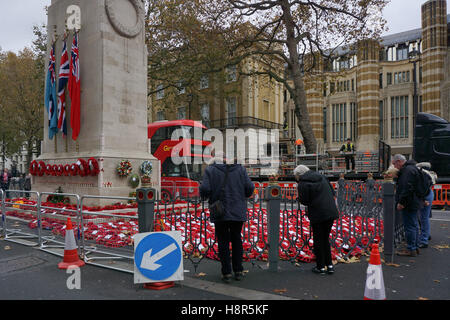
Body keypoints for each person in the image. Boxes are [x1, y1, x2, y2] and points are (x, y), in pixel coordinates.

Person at [199, 151, 255, 283]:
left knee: (223, 241)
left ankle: (226, 273)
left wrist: (208, 194)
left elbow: (205, 189)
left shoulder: (211, 170)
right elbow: (249, 188)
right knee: (236, 239)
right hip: (237, 210)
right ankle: (238, 270)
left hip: (220, 211)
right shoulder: (240, 169)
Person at [294, 164, 339, 275]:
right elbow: (332, 193)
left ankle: (320, 267)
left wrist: (298, 197)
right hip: (330, 211)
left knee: (318, 240)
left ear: (299, 175)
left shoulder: (303, 183)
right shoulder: (322, 177)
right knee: (325, 239)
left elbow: (304, 200)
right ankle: (329, 265)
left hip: (318, 213)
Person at [392, 154, 421, 257]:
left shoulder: (407, 171)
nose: (395, 167)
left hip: (409, 203)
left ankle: (411, 249)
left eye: (394, 164)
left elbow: (407, 188)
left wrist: (401, 202)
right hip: (414, 201)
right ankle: (415, 247)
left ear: (399, 161)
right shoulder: (412, 168)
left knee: (409, 226)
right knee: (414, 225)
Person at [416, 162, 437, 248]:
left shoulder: (422, 174)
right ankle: (426, 235)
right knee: (425, 217)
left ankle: (424, 240)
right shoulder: (429, 174)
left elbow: (422, 188)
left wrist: (423, 199)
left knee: (423, 218)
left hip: (426, 196)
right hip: (429, 194)